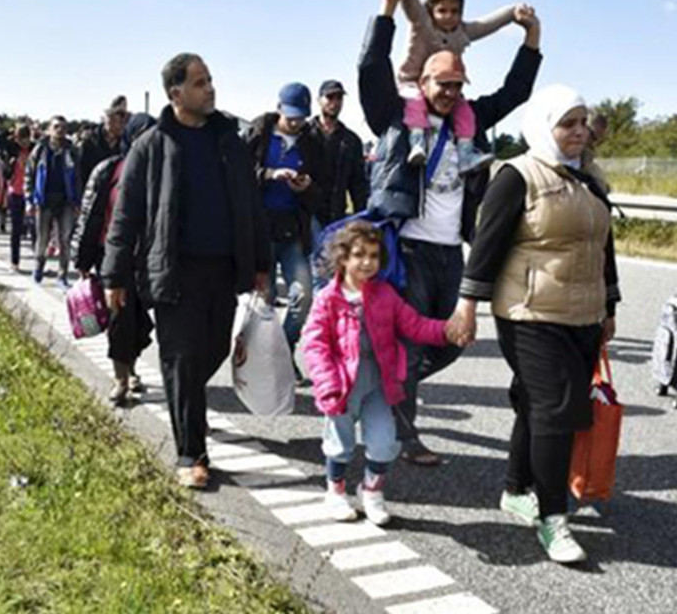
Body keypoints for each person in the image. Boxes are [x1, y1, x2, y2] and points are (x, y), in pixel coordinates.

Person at [364, 0, 542, 467]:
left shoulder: (471, 124)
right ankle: (404, 435)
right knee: (412, 340)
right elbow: (369, 69)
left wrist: (530, 38)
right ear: (422, 84)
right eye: (443, 84)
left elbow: (515, 93)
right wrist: (388, 8)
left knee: (452, 341)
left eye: (459, 85)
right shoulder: (397, 121)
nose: (452, 93)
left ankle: (388, 383)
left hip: (451, 252)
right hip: (411, 249)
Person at [454, 84, 619, 564]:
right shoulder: (517, 175)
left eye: (583, 123)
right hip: (530, 314)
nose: (579, 132)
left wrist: (610, 306)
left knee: (533, 404)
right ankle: (553, 518)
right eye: (568, 123)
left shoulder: (588, 180)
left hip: (583, 314)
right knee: (556, 409)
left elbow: (602, 248)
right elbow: (486, 245)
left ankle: (514, 489)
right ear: (544, 126)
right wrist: (468, 304)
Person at [102, 53, 270, 490]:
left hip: (223, 270)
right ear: (176, 93)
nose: (210, 88)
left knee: (209, 351)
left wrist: (262, 265)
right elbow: (126, 216)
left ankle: (188, 403)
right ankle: (190, 452)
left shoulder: (229, 141)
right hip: (173, 274)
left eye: (211, 80)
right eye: (200, 82)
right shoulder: (151, 146)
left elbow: (252, 207)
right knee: (182, 358)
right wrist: (114, 277)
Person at [302, 222, 449, 526]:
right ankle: (336, 491)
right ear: (343, 259)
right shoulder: (328, 299)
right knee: (339, 443)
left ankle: (371, 490)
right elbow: (314, 344)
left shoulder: (386, 294)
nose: (367, 262)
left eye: (373, 255)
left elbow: (414, 325)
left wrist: (448, 331)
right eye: (359, 255)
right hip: (342, 383)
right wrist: (326, 383)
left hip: (380, 380)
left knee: (384, 442)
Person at [393, 0, 524, 170]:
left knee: (465, 112)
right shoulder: (422, 24)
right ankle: (417, 142)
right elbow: (412, 7)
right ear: (431, 11)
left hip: (443, 87)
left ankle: (465, 154)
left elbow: (488, 24)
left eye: (454, 11)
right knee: (415, 101)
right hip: (411, 81)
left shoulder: (462, 31)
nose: (448, 16)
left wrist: (513, 12)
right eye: (442, 11)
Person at [73, 112, 157, 405]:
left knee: (140, 322)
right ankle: (122, 379)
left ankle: (131, 366)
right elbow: (89, 215)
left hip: (148, 259)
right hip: (113, 257)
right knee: (120, 320)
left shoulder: (163, 173)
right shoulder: (108, 170)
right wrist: (82, 258)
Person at [246, 83, 325, 367]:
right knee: (264, 299)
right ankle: (261, 359)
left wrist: (305, 186)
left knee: (303, 296)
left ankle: (283, 350)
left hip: (293, 230)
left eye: (301, 118)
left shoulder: (311, 142)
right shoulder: (259, 133)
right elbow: (240, 174)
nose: (295, 123)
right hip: (260, 228)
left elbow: (319, 190)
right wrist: (270, 174)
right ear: (278, 109)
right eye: (290, 116)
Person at [26, 115, 80, 286]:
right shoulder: (40, 150)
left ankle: (62, 275)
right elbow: (30, 175)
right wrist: (29, 199)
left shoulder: (71, 150)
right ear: (49, 129)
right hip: (44, 201)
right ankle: (38, 268)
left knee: (65, 240)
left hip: (66, 201)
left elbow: (78, 177)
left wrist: (77, 202)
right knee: (42, 239)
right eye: (56, 126)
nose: (60, 130)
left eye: (63, 127)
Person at [309, 80, 369, 228]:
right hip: (306, 215)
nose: (335, 103)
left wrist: (362, 217)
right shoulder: (304, 134)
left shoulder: (351, 140)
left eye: (339, 98)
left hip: (335, 216)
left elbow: (358, 183)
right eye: (330, 97)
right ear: (319, 100)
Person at [78, 96, 129, 196]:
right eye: (120, 116)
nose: (123, 122)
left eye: (124, 117)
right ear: (108, 119)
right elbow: (80, 174)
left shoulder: (125, 143)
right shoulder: (90, 143)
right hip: (94, 196)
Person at [5, 125, 32, 273]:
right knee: (16, 230)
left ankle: (38, 263)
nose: (24, 143)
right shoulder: (12, 151)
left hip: (32, 194)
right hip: (15, 193)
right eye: (21, 139)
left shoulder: (35, 150)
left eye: (26, 139)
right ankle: (14, 261)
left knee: (34, 229)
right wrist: (10, 131)